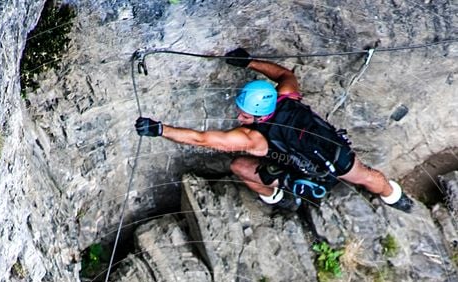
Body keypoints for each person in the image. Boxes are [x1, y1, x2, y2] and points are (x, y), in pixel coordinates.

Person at [135, 47, 413, 212]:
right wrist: (248, 62)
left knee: (240, 167)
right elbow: (285, 75)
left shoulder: (253, 138)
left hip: (306, 169)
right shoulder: (286, 96)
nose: (239, 115)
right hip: (333, 153)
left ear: (258, 115)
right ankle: (393, 197)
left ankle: (278, 198)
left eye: (244, 112)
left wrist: (161, 129)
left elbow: (202, 139)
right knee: (365, 175)